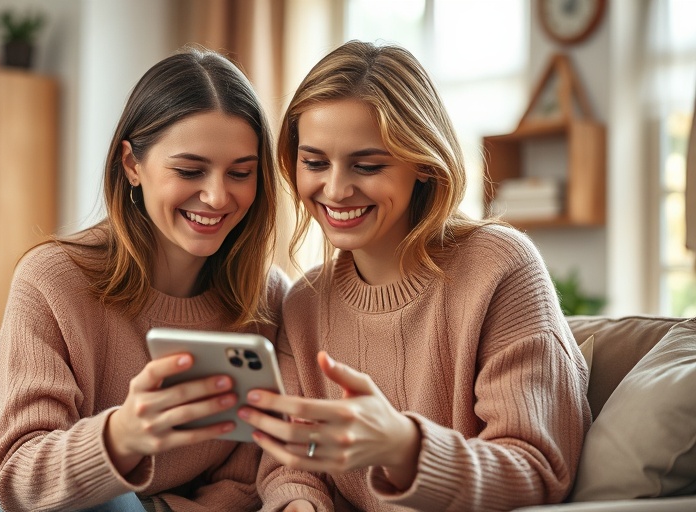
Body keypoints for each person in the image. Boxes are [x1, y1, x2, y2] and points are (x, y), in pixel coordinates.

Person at [237, 41, 591, 511]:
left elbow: (539, 466)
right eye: (315, 162)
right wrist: (300, 503)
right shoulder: (304, 302)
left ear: (422, 165)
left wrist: (403, 447)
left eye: (368, 165)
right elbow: (290, 465)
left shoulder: (500, 267)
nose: (336, 189)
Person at [0, 45, 287, 512]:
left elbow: (245, 482)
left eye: (240, 173)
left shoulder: (269, 299)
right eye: (190, 170)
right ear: (132, 165)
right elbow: (21, 478)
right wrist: (120, 436)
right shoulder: (52, 280)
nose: (218, 196)